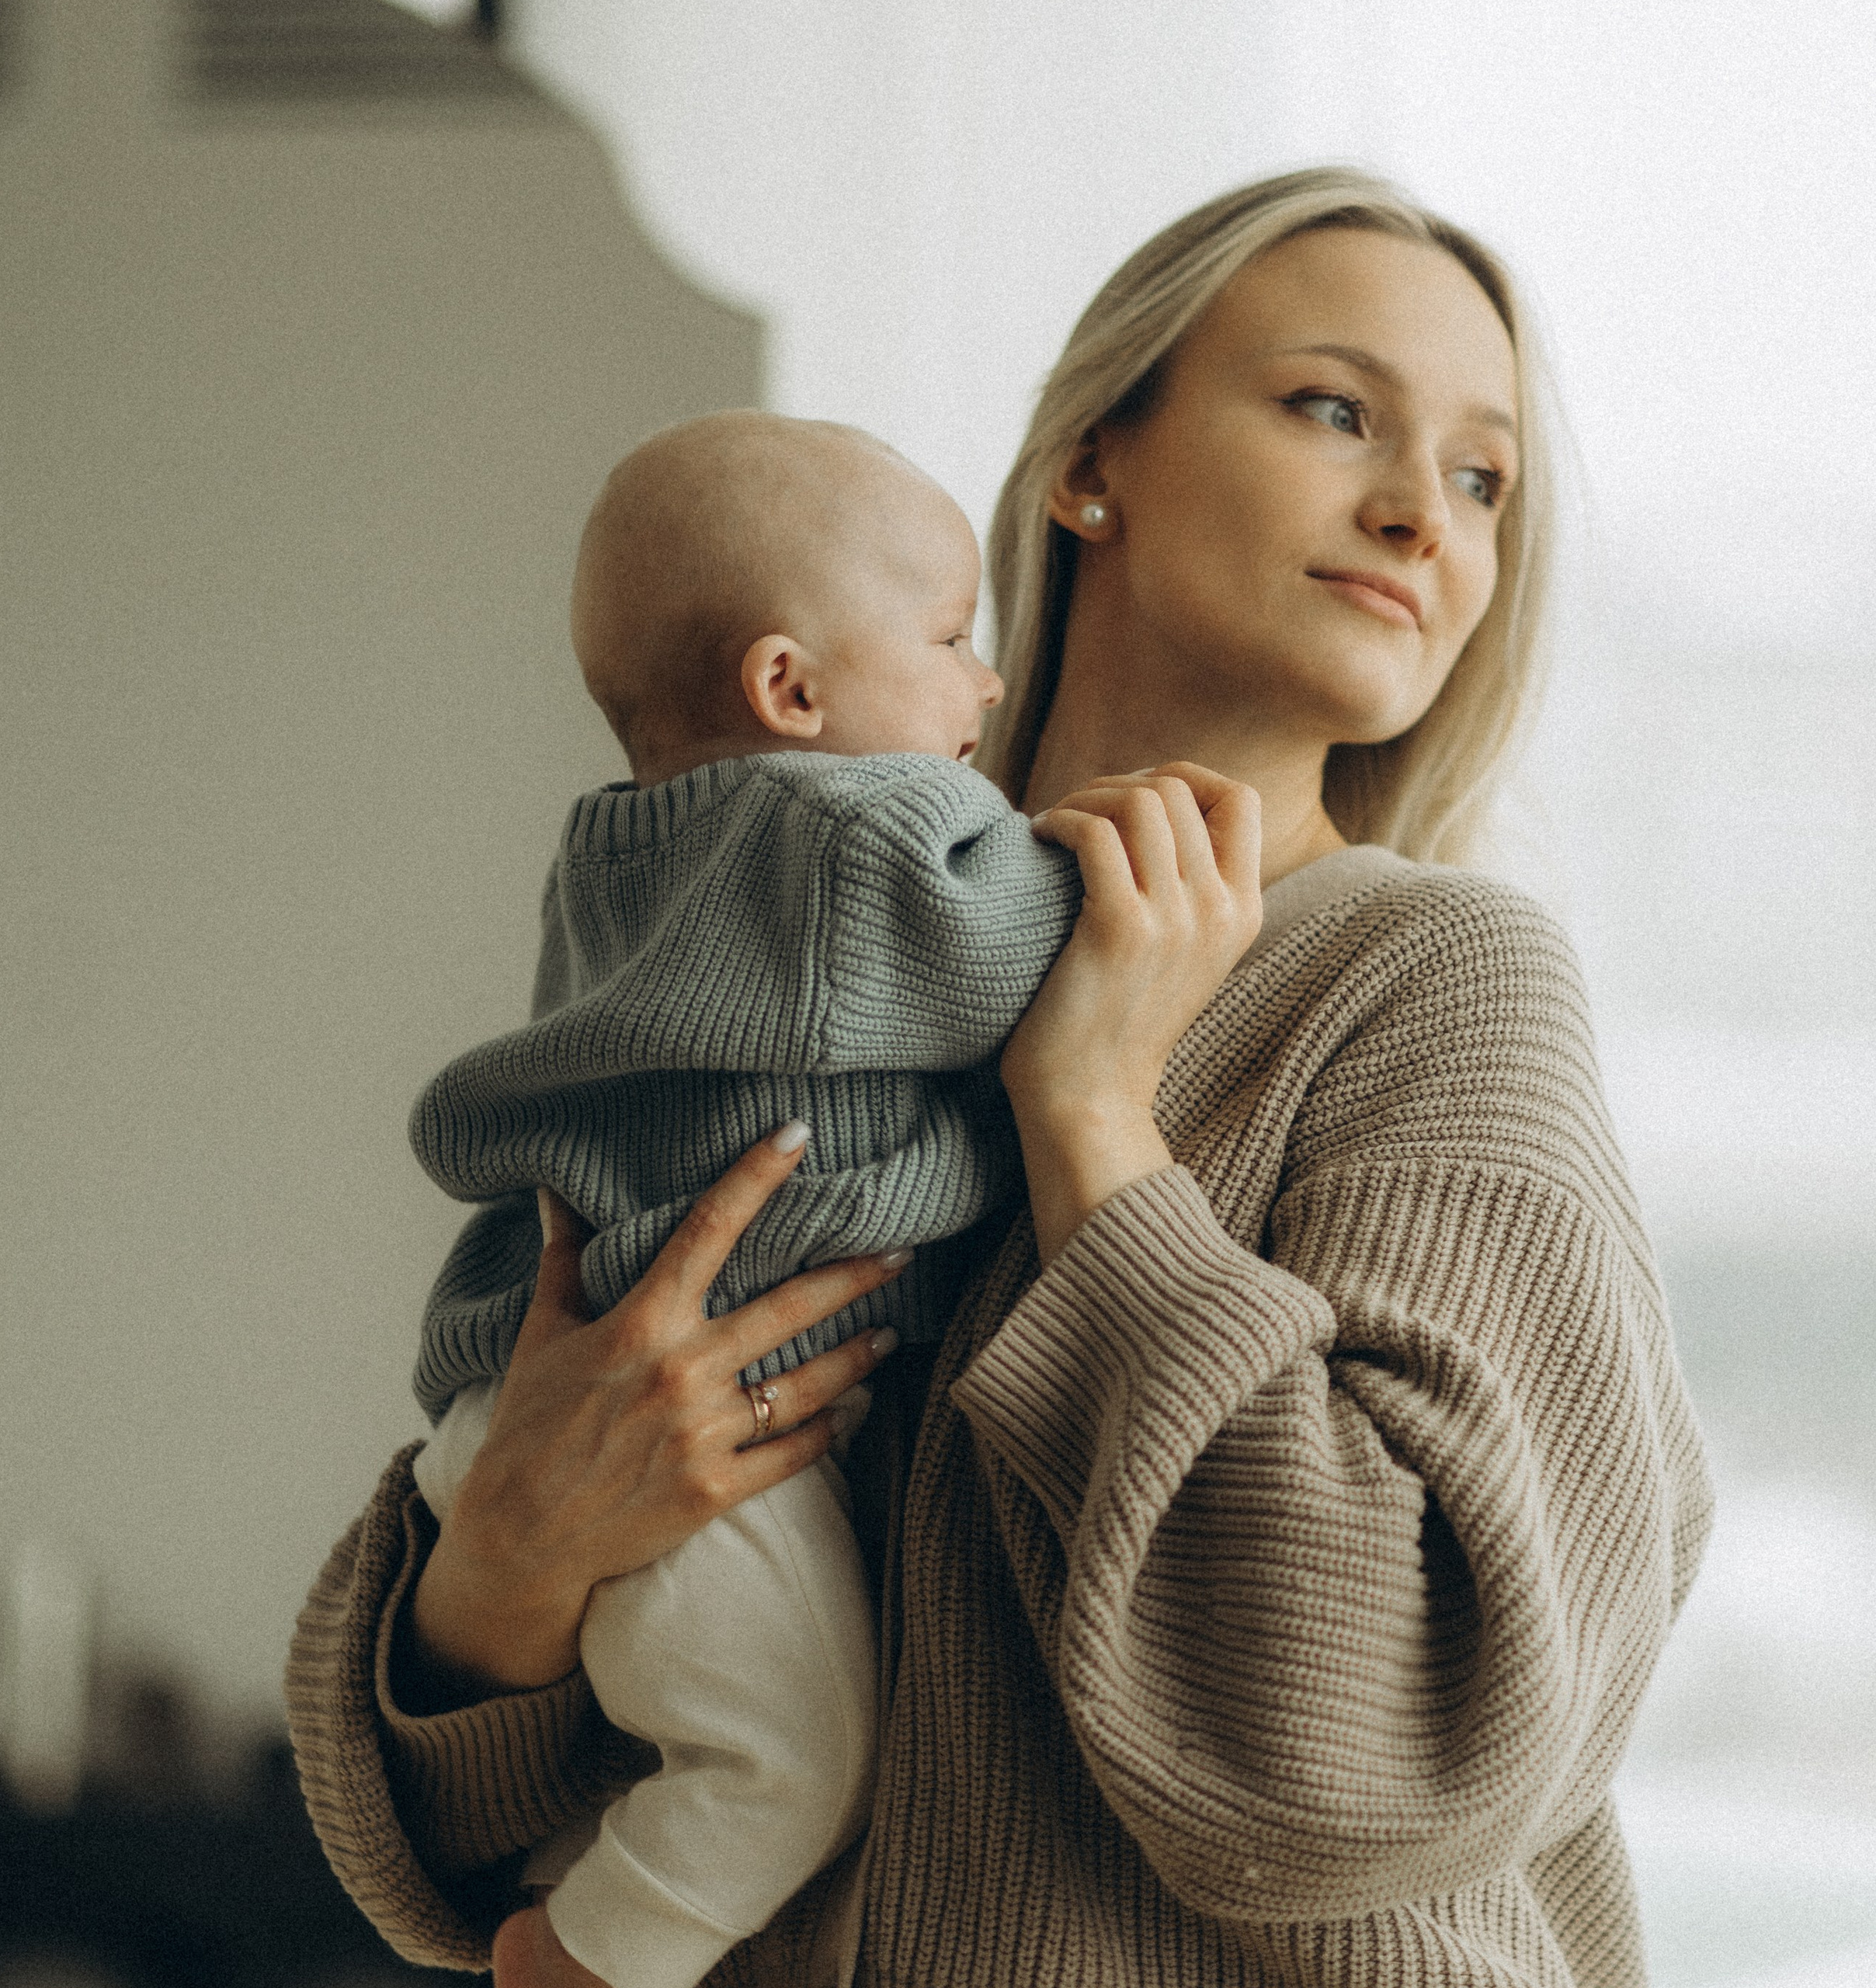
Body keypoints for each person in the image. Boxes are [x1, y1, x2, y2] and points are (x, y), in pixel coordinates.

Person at [285, 166, 1714, 1988]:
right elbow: (437, 1870)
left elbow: (1373, 1753)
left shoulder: (1431, 986)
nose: (1415, 514)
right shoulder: (787, 927)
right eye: (1333, 408)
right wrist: (501, 1570)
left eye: (1482, 477)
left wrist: (1094, 1126)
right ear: (1089, 461)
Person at [406, 410, 1093, 1988]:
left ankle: (594, 1894)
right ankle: (588, 1955)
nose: (985, 687)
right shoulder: (854, 834)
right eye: (942, 639)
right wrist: (1118, 854)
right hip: (703, 1412)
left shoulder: (620, 855)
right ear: (791, 692)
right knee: (791, 1755)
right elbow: (1013, 951)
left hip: (540, 1402)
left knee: (702, 1729)